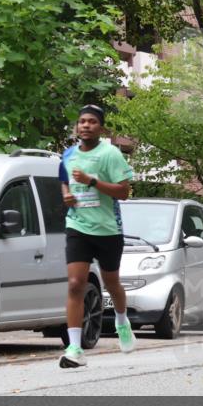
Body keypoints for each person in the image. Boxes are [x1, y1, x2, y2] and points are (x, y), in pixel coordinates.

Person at [58, 104, 136, 368]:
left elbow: (124, 192)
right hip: (77, 226)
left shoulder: (110, 154)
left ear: (100, 128)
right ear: (77, 126)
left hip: (107, 229)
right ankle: (75, 348)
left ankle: (122, 322)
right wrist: (66, 195)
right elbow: (64, 180)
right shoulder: (68, 154)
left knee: (111, 283)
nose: (86, 125)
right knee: (75, 284)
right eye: (82, 121)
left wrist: (91, 181)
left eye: (92, 121)